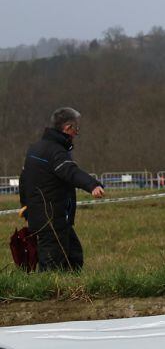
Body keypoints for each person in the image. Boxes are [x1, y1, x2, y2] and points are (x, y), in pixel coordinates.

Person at [19, 107, 105, 272]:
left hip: (49, 218)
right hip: (51, 219)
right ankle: (49, 294)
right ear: (67, 128)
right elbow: (70, 171)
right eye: (76, 129)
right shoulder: (55, 152)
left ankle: (71, 291)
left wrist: (25, 208)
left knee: (73, 257)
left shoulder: (35, 148)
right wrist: (92, 185)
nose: (76, 134)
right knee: (52, 266)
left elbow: (24, 180)